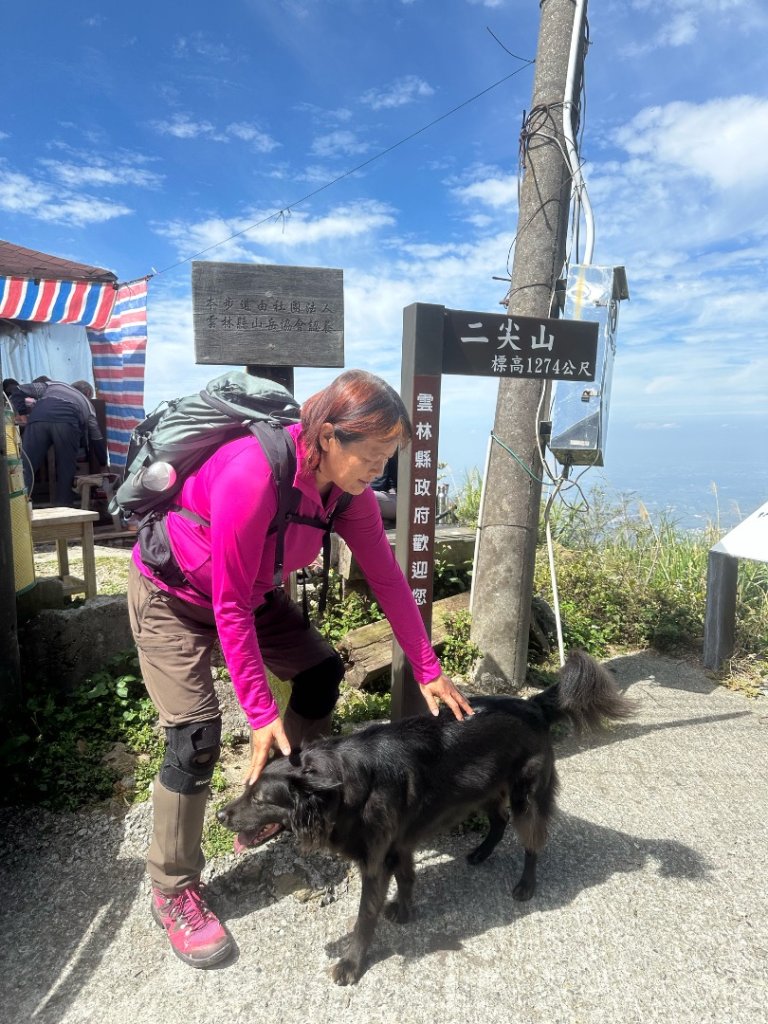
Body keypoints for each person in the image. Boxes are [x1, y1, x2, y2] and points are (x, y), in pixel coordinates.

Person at [126, 368, 473, 969]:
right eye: (375, 454)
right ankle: (174, 888)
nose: (380, 471)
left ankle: (278, 799)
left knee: (319, 671)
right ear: (330, 436)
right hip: (173, 596)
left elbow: (388, 579)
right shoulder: (251, 472)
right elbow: (225, 604)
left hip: (251, 596)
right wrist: (259, 713)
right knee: (195, 736)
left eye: (390, 457)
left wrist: (427, 667)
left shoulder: (347, 495)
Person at [10, 377, 108, 506]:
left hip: (39, 419)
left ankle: (18, 507)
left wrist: (22, 413)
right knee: (66, 468)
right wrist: (103, 462)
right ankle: (64, 509)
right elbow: (97, 438)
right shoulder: (88, 405)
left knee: (26, 466)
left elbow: (17, 390)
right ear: (89, 394)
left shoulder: (54, 385)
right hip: (67, 424)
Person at [370, 452, 398, 526]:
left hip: (386, 497)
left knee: (361, 495)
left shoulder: (389, 451)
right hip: (373, 496)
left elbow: (395, 482)